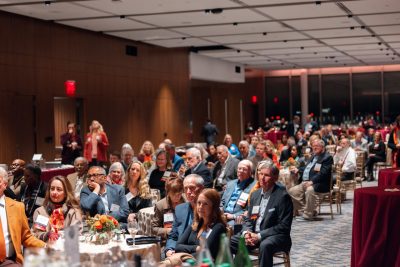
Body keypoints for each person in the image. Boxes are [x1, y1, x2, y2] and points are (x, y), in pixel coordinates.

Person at [230, 161, 293, 267]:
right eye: (261, 174)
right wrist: (247, 233)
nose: (262, 178)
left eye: (267, 175)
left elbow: (283, 226)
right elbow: (248, 219)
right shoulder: (255, 194)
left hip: (276, 236)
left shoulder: (282, 196)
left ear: (275, 178)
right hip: (254, 235)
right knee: (231, 241)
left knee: (265, 245)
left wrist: (259, 236)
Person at [0, 167, 45, 266]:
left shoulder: (17, 207)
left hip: (8, 261)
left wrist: (46, 246)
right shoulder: (25, 188)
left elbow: (26, 237)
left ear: (5, 184)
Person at [288, 139, 333, 221]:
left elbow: (323, 173)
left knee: (309, 190)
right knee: (292, 191)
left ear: (322, 147)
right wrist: (298, 169)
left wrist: (312, 182)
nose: (314, 148)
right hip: (306, 182)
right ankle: (310, 210)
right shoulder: (313, 156)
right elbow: (307, 168)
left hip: (319, 183)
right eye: (313, 146)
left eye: (317, 146)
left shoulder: (327, 158)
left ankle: (308, 215)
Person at [175, 189, 227, 260]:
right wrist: (196, 248)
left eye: (205, 204)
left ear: (213, 207)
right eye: (199, 203)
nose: (200, 207)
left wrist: (185, 255)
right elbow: (178, 246)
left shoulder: (218, 227)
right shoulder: (195, 224)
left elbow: (206, 252)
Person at [31, 176, 82, 241]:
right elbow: (36, 233)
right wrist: (47, 235)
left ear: (66, 193)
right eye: (52, 189)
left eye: (59, 189)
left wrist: (61, 236)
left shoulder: (73, 212)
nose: (54, 192)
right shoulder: (41, 211)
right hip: (45, 248)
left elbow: (76, 233)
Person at [165, 174, 204, 258]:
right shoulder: (179, 209)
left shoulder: (206, 211)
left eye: (192, 188)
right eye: (185, 188)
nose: (188, 192)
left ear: (201, 189)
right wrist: (169, 249)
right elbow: (173, 235)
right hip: (177, 251)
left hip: (195, 254)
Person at [221, 160, 256, 225]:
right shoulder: (230, 184)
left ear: (250, 172)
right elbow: (222, 202)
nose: (241, 171)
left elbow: (250, 209)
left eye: (244, 169)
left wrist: (233, 216)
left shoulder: (254, 186)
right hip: (223, 215)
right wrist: (220, 211)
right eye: (239, 168)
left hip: (237, 218)